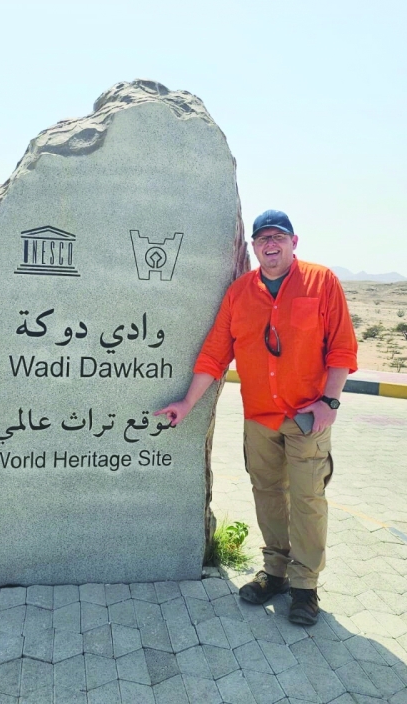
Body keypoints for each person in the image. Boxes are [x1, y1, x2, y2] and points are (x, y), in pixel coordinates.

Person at [155, 210, 357, 625]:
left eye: (278, 238)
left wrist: (329, 403)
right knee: (267, 495)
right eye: (263, 238)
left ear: (294, 242)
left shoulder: (322, 282)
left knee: (307, 501)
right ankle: (277, 572)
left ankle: (305, 588)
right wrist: (187, 403)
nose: (270, 244)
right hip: (260, 418)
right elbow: (215, 354)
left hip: (308, 417)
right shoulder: (240, 292)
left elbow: (341, 349)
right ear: (253, 246)